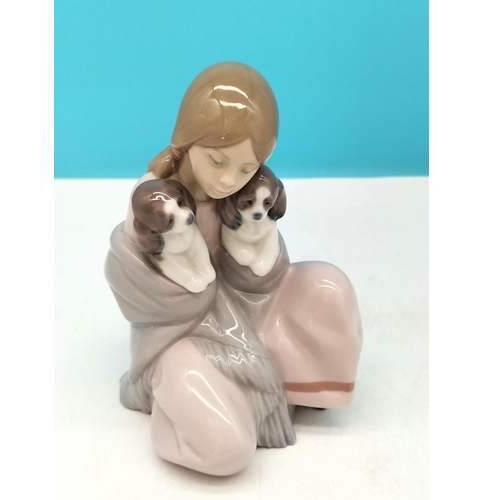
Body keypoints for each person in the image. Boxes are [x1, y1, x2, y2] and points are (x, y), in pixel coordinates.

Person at [105, 62, 362, 476]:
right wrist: (205, 292)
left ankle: (298, 387)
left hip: (249, 305)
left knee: (329, 289)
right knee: (225, 450)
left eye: (245, 168)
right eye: (217, 161)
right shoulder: (153, 200)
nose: (229, 180)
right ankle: (180, 411)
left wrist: (259, 260)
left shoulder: (246, 189)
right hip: (184, 334)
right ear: (186, 142)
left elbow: (264, 268)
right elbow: (140, 288)